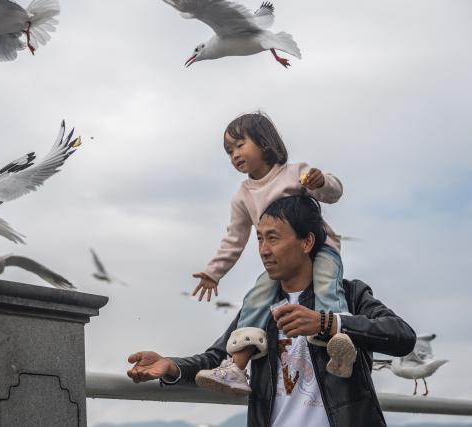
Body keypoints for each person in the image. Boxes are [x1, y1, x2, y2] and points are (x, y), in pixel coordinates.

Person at [128, 195, 416, 427]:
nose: (264, 250)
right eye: (259, 239)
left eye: (273, 238)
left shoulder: (349, 295)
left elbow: (403, 336)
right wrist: (171, 367)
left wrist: (327, 322)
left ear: (307, 242)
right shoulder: (259, 306)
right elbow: (218, 358)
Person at [192, 112, 352, 393]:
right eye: (229, 151)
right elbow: (235, 238)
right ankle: (236, 368)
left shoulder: (294, 173)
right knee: (255, 299)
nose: (234, 155)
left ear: (265, 143)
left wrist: (320, 182)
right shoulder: (243, 195)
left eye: (240, 145)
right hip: (282, 265)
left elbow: (335, 193)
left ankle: (340, 346)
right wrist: (213, 272)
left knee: (328, 286)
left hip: (322, 248)